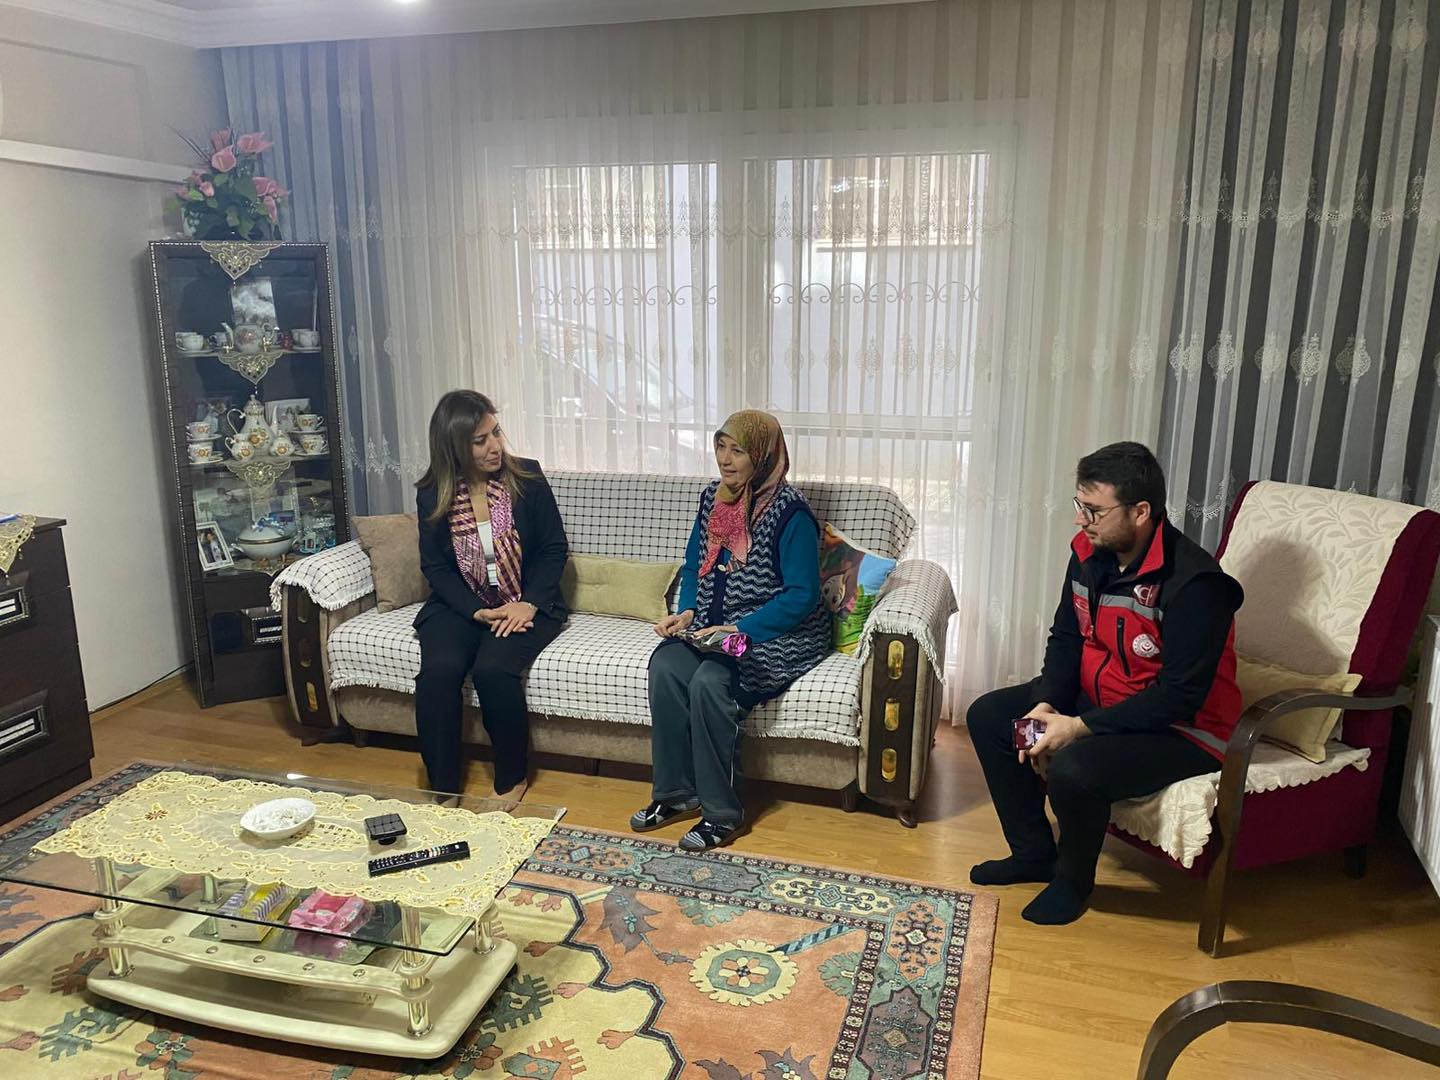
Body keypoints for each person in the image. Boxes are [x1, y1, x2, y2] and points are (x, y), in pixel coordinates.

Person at [967, 441, 1243, 924]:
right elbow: (1067, 637)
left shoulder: (1197, 584)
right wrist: (1047, 704)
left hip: (1183, 731)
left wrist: (1078, 727)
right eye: (1080, 505)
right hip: (1101, 702)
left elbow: (1180, 697)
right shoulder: (1088, 554)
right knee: (991, 717)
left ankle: (1072, 882)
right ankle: (1033, 854)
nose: (1081, 520)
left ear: (1140, 512)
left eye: (1094, 510)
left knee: (1075, 768)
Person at [630, 410, 831, 851]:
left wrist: (739, 628)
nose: (725, 459)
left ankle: (722, 813)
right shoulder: (713, 499)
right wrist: (687, 613)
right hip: (714, 627)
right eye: (720, 446)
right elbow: (693, 566)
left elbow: (802, 596)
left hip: (781, 632)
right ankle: (676, 794)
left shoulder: (791, 513)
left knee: (711, 681)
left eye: (737, 450)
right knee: (666, 665)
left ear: (762, 456)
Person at [413, 390, 569, 803]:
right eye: (480, 440)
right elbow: (435, 567)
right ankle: (442, 788)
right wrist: (476, 611)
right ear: (454, 446)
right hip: (461, 603)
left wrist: (528, 604)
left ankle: (512, 778)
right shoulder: (433, 492)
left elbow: (554, 549)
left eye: (496, 433)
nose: (495, 446)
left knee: (493, 669)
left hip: (526, 600)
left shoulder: (527, 477)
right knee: (439, 672)